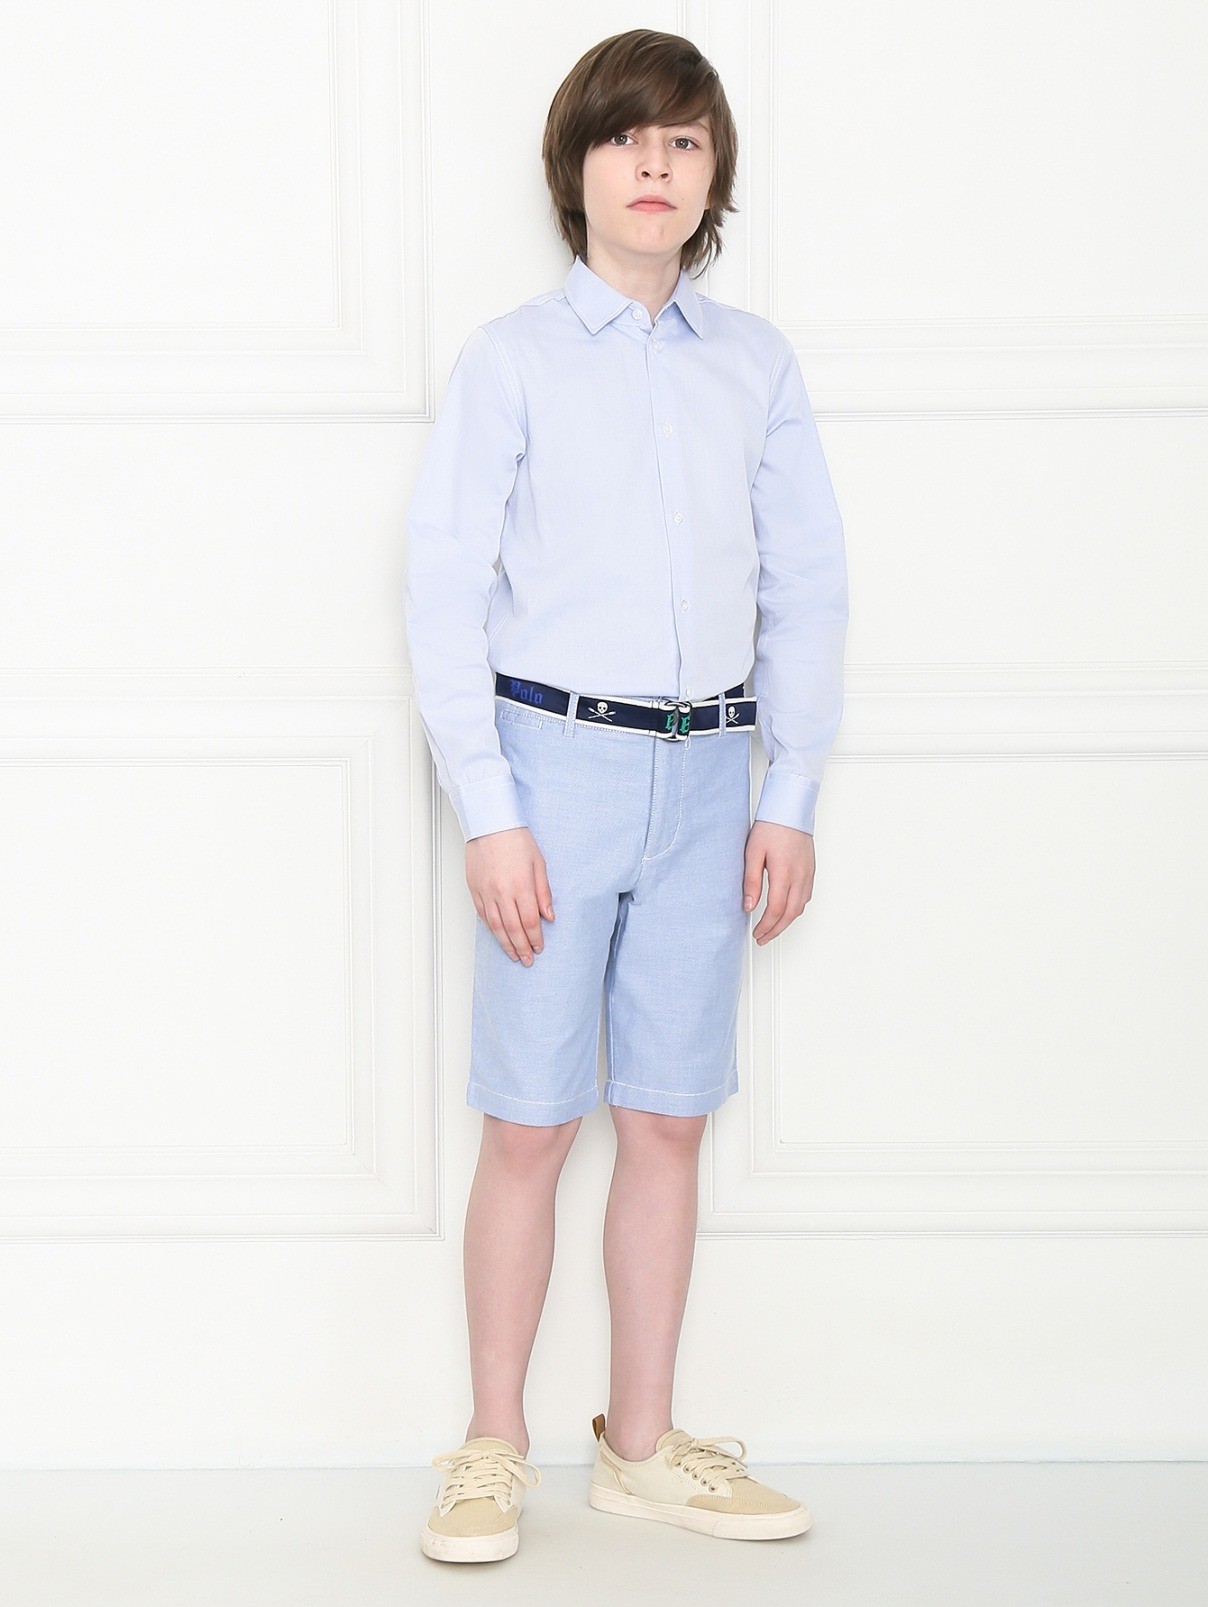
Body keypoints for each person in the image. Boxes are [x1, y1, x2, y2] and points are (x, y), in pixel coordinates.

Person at [406, 27, 848, 1565]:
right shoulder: (512, 362)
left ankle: (642, 1448)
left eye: (685, 141)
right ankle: (491, 1445)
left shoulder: (755, 365)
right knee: (531, 1121)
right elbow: (445, 590)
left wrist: (789, 790)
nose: (655, 165)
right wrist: (490, 808)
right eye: (626, 139)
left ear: (713, 176)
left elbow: (807, 585)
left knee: (666, 1117)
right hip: (554, 770)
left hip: (711, 780)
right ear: (575, 168)